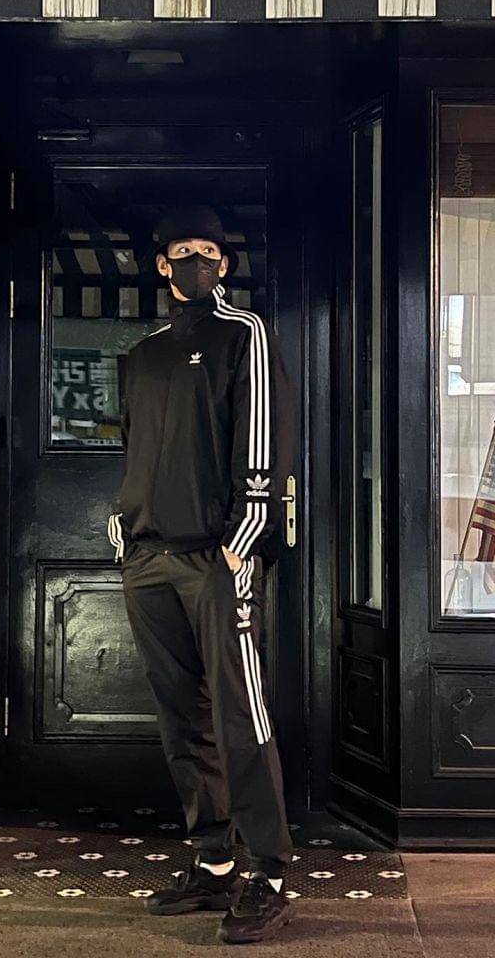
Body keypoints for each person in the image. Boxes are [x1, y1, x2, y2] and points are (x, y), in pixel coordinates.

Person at [106, 206, 295, 945]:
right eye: (183, 250)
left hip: (218, 557)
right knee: (180, 715)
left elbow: (264, 439)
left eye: (208, 250)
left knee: (240, 713)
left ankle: (269, 873)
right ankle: (214, 861)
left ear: (225, 264)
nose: (196, 260)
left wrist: (243, 539)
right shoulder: (143, 355)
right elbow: (133, 449)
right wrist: (125, 532)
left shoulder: (244, 333)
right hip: (148, 558)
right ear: (162, 265)